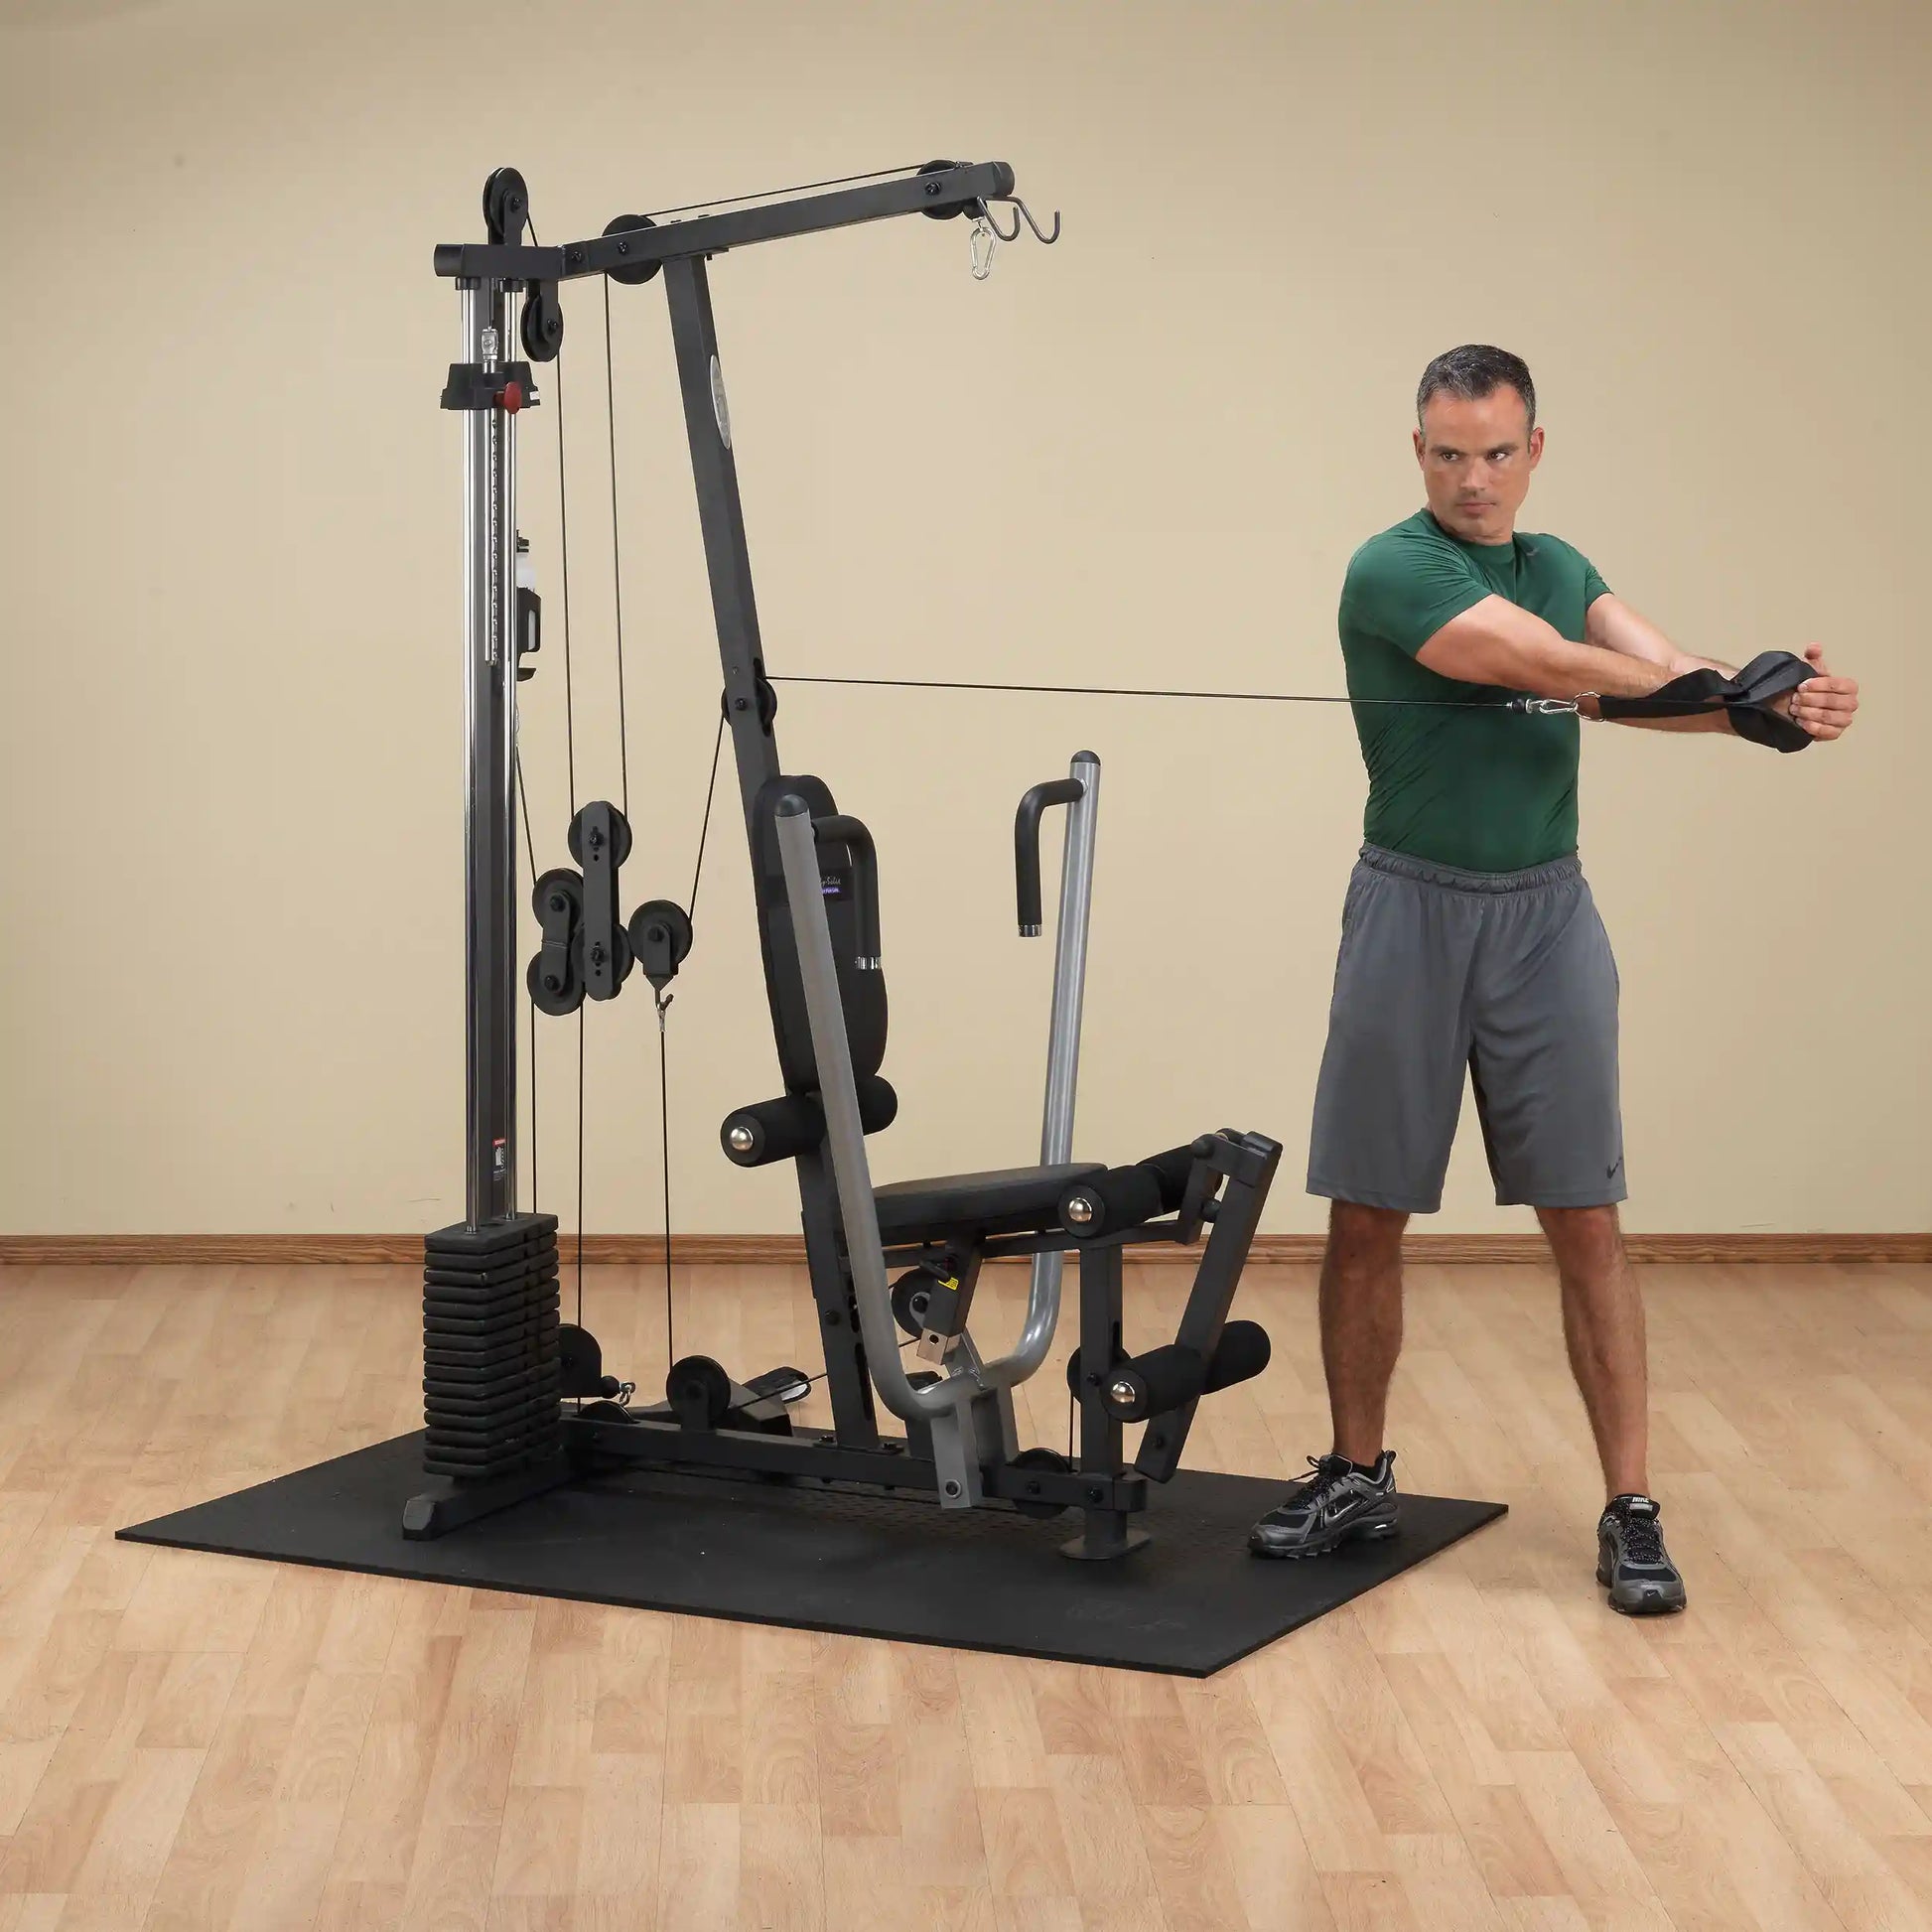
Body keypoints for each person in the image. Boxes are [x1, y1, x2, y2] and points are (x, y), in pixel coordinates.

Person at [1247, 345, 1860, 1612]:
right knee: (1366, 1210)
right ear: (1416, 451)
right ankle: (1355, 1471)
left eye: (1492, 452)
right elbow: (1542, 664)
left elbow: (1654, 676)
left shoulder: (1560, 564)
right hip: (1409, 907)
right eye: (1446, 453)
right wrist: (1730, 689)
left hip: (1545, 918)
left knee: (1585, 1216)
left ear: (1532, 449)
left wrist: (1770, 708)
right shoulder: (1392, 567)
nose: (1470, 478)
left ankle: (1629, 1506)